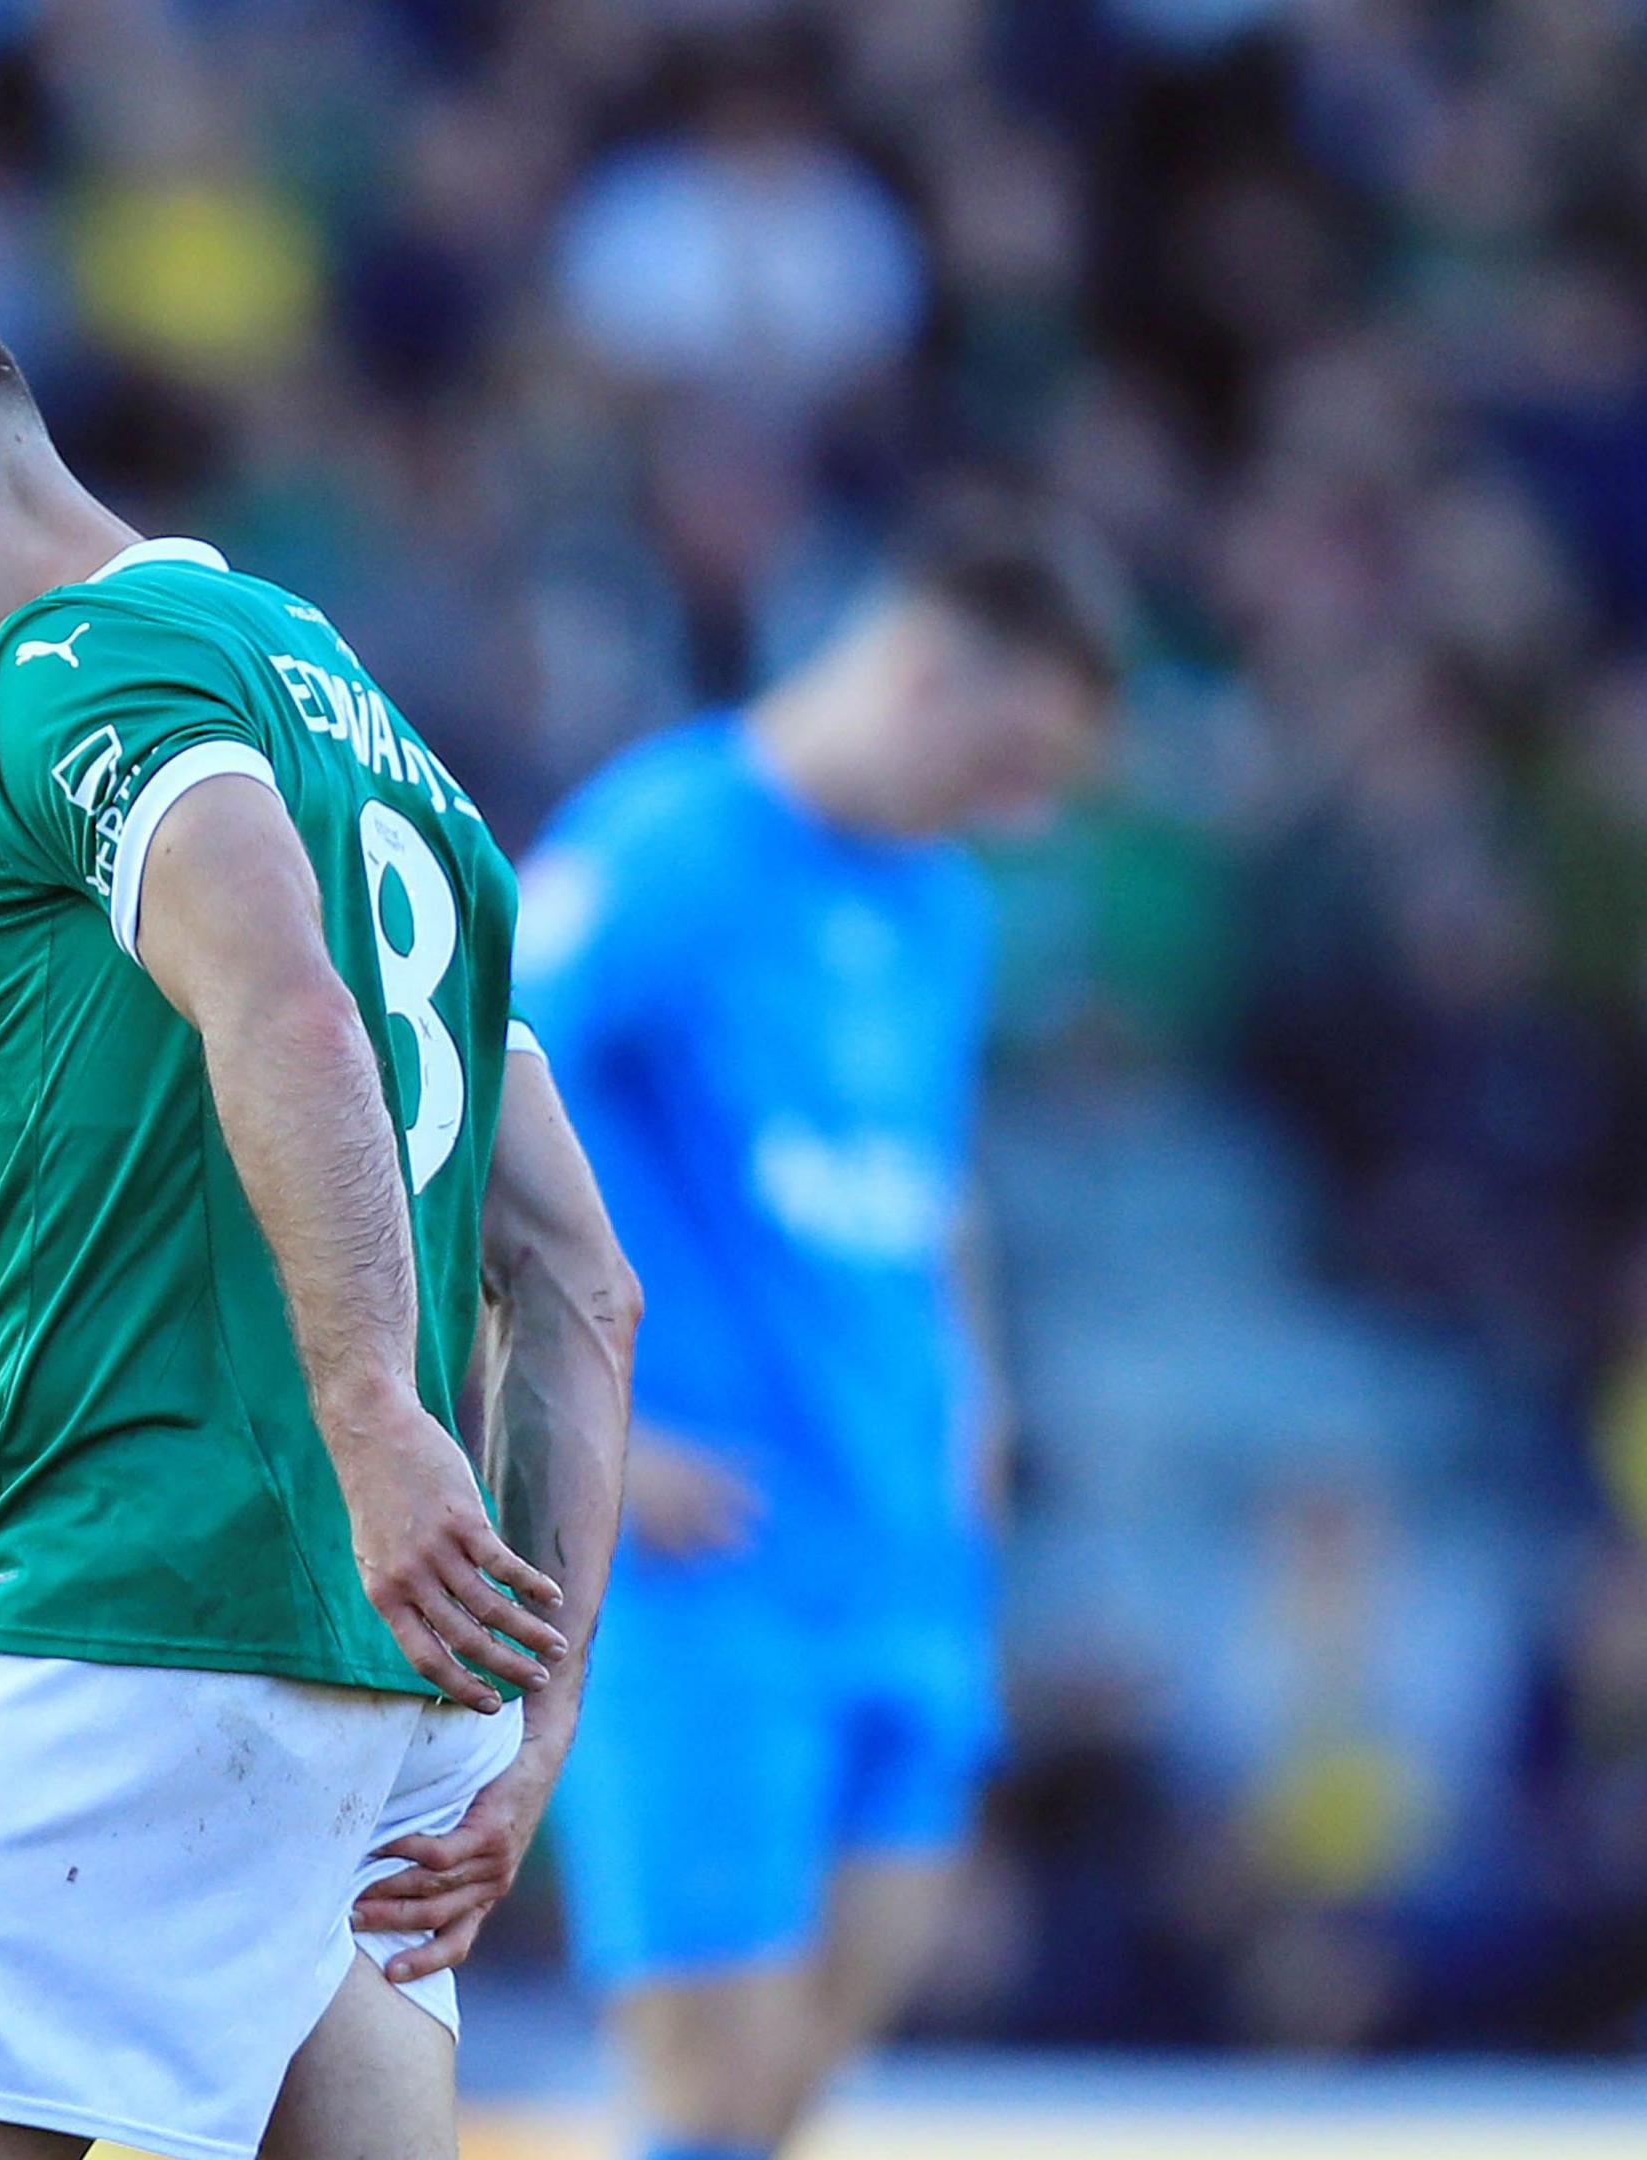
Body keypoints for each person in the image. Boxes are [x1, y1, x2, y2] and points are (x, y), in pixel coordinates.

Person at [0, 280, 637, 2160]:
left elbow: (282, 997)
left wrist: (367, 1416)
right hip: (390, 1698)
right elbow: (581, 1282)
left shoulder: (73, 669)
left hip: (147, 1613)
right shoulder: (381, 748)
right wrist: (539, 1720)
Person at [515, 501, 1122, 2160]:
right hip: (709, 1575)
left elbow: (930, 1180)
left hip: (904, 1556)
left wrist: (972, 1388)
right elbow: (442, 1117)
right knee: (707, 2089)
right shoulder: (660, 851)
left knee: (781, 2100)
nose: (1025, 809)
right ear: (922, 672)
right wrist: (563, 1432)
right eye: (1011, 757)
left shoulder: (942, 910)